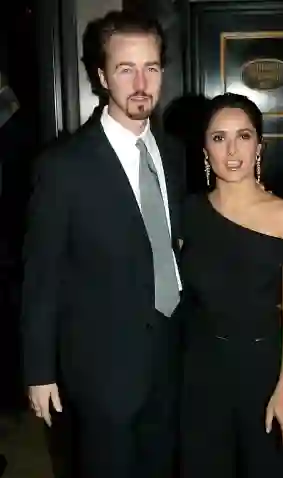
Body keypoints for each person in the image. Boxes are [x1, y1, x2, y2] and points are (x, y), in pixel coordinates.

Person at [21, 11, 184, 478]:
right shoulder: (63, 167)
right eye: (125, 68)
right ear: (101, 76)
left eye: (150, 67)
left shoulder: (173, 153)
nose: (140, 82)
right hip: (101, 366)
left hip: (170, 354)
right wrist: (39, 370)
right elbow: (41, 276)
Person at [179, 93, 283, 477]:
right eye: (219, 138)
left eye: (244, 136)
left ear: (259, 145)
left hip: (261, 369)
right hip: (200, 370)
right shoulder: (190, 211)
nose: (232, 150)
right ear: (205, 148)